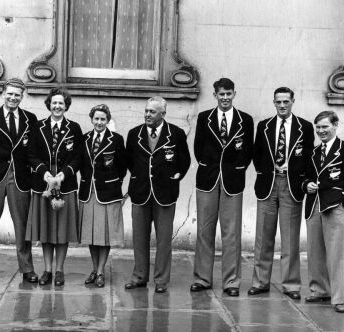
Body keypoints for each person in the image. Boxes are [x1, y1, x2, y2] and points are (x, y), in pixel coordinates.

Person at [248, 87, 314, 299]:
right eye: (279, 102)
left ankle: (291, 285)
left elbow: (308, 157)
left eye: (286, 101)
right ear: (274, 102)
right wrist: (267, 172)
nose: (282, 105)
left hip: (291, 185)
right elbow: (257, 155)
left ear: (293, 101)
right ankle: (260, 282)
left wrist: (297, 176)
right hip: (268, 184)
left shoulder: (304, 126)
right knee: (263, 237)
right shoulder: (264, 126)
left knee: (290, 238)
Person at [191, 78, 254, 296]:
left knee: (232, 233)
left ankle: (231, 282)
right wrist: (211, 167)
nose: (225, 98)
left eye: (229, 94)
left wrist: (235, 169)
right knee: (204, 231)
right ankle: (202, 278)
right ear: (215, 95)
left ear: (234, 94)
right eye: (221, 94)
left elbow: (247, 152)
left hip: (233, 182)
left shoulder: (245, 120)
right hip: (207, 179)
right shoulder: (204, 118)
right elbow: (198, 148)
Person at [124, 96, 191, 294]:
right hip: (140, 192)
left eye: (152, 112)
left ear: (163, 113)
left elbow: (184, 160)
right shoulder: (134, 133)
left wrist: (174, 177)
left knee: (163, 239)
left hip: (165, 193)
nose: (147, 115)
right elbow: (130, 161)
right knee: (139, 238)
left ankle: (161, 280)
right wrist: (140, 176)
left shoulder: (176, 134)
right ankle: (139, 277)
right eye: (146, 111)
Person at [0, 78, 38, 284]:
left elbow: (32, 149)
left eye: (17, 95)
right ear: (3, 93)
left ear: (22, 97)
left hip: (20, 177)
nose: (13, 98)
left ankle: (27, 268)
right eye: (10, 94)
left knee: (22, 225)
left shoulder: (31, 118)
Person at [303, 111, 344, 313]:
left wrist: (340, 203)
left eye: (325, 127)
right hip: (313, 206)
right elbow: (306, 177)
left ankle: (338, 298)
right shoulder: (313, 152)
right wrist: (307, 185)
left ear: (335, 125)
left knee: (336, 254)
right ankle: (319, 290)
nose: (321, 131)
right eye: (318, 127)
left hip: (334, 207)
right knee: (315, 251)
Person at [27, 87, 82, 286]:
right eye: (54, 102)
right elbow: (31, 154)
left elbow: (78, 157)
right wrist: (46, 174)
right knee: (47, 229)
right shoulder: (38, 126)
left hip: (64, 185)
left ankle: (60, 270)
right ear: (49, 104)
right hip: (44, 185)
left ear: (66, 106)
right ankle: (47, 270)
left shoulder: (74, 128)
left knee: (62, 229)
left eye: (61, 103)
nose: (57, 106)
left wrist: (62, 175)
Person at [79, 104, 127, 288]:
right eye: (96, 119)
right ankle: (94, 268)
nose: (99, 122)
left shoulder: (116, 139)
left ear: (108, 120)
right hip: (88, 192)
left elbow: (122, 166)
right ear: (91, 119)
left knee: (105, 234)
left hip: (108, 192)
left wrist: (115, 184)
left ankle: (100, 271)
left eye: (103, 119)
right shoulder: (84, 139)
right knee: (91, 234)